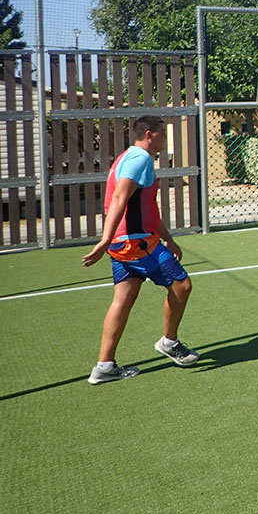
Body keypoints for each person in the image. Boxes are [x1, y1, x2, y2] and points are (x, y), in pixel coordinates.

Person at [81, 116, 198, 384]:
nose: (164, 140)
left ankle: (104, 366)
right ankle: (169, 343)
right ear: (149, 134)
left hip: (127, 243)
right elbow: (120, 198)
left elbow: (146, 208)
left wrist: (168, 238)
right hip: (136, 243)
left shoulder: (125, 158)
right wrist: (104, 238)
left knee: (123, 300)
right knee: (182, 285)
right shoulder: (140, 159)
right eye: (161, 135)